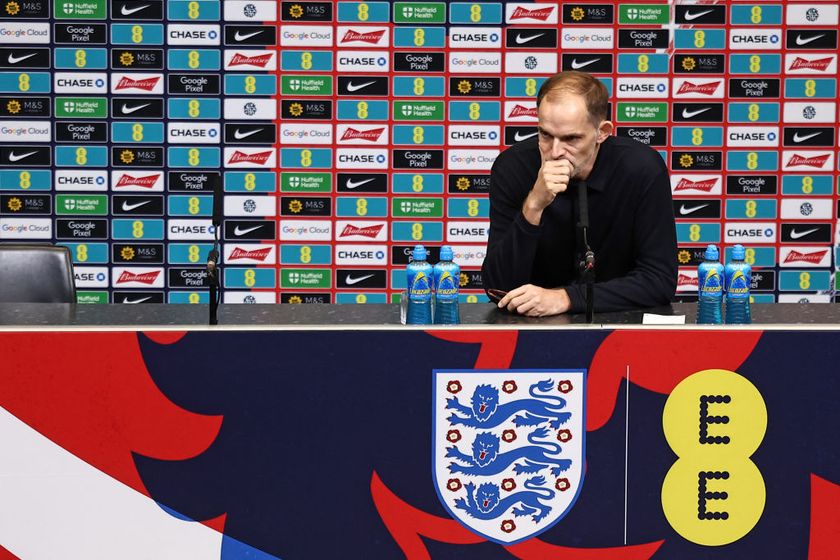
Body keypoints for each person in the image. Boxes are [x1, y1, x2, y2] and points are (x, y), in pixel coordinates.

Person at [482, 71, 677, 316]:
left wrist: (565, 298)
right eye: (545, 135)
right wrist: (533, 205)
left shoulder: (641, 168)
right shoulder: (513, 167)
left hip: (621, 324)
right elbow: (497, 288)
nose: (555, 152)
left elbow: (659, 281)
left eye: (571, 138)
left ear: (602, 132)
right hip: (533, 329)